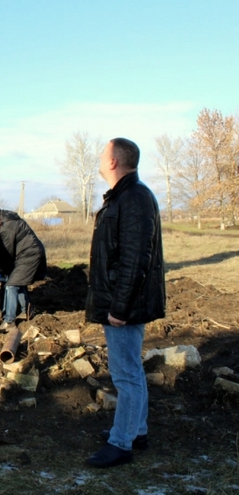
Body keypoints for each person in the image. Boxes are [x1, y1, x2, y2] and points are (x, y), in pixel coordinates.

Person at [85, 138, 165, 468]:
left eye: (104, 155)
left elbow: (136, 258)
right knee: (131, 370)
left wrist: (119, 308)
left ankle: (121, 444)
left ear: (115, 161)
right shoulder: (126, 196)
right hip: (122, 302)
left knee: (126, 375)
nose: (100, 160)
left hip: (124, 307)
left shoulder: (134, 197)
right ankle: (136, 431)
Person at [0, 206, 46, 329]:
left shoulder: (7, 228)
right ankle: (27, 311)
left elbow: (7, 253)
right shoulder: (4, 224)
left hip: (30, 255)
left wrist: (4, 270)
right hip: (26, 254)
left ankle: (9, 320)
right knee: (18, 282)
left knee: (11, 285)